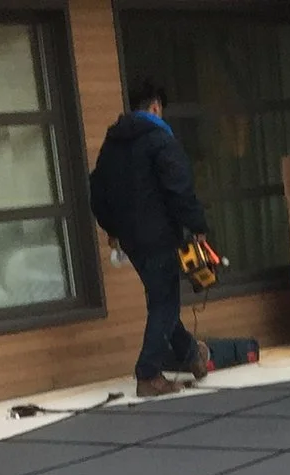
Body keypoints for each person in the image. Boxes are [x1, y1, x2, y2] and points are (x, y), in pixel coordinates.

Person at [89, 79, 213, 398]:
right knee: (165, 302)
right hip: (159, 236)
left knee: (160, 298)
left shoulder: (112, 144)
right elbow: (179, 187)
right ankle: (148, 374)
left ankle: (191, 356)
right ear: (156, 106)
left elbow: (98, 190)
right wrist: (197, 225)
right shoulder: (160, 140)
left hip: (132, 240)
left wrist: (112, 231)